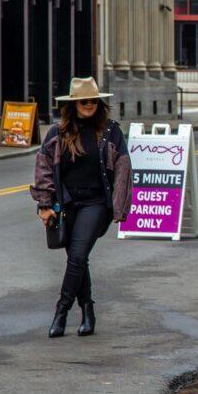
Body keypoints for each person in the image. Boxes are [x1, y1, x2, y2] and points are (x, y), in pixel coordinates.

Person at [31, 77, 132, 338]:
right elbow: (43, 167)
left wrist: (119, 206)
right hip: (67, 204)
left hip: (97, 203)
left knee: (77, 256)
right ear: (73, 104)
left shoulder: (111, 131)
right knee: (78, 258)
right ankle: (87, 311)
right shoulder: (58, 132)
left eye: (93, 101)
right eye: (83, 101)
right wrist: (45, 204)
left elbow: (123, 167)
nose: (89, 104)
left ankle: (61, 312)